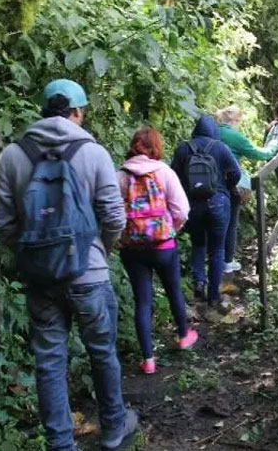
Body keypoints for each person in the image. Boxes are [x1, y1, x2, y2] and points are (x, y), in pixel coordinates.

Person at [0, 79, 137, 451]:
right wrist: (100, 252)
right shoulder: (94, 152)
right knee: (102, 350)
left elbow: (3, 224)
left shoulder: (12, 155)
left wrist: (31, 256)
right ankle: (114, 429)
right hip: (89, 273)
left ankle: (60, 443)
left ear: (43, 110)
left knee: (49, 361)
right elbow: (114, 216)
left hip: (41, 278)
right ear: (76, 112)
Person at [117, 127, 198, 375]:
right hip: (164, 246)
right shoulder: (164, 172)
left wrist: (121, 238)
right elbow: (182, 210)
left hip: (133, 249)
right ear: (156, 147)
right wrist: (170, 229)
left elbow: (112, 214)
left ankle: (148, 359)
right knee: (173, 289)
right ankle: (184, 336)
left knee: (142, 301)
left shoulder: (119, 175)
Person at [171, 115, 241, 312]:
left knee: (198, 244)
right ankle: (213, 296)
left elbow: (173, 175)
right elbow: (236, 174)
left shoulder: (184, 148)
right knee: (217, 250)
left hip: (192, 205)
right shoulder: (220, 147)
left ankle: (198, 283)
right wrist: (225, 186)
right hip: (218, 203)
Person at [216, 105, 275, 274]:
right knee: (230, 224)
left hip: (210, 182)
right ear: (234, 120)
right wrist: (274, 147)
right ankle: (226, 261)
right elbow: (258, 153)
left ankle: (212, 263)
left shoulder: (212, 132)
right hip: (230, 183)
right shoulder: (233, 135)